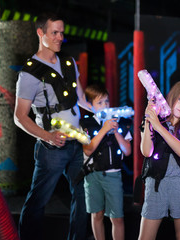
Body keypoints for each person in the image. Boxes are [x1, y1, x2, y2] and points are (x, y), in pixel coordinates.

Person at [14, 12, 89, 240]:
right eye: (54, 32)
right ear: (41, 33)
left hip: (77, 143)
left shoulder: (68, 61)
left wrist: (106, 115)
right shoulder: (29, 72)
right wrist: (47, 136)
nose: (59, 37)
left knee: (84, 196)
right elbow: (19, 116)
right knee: (38, 201)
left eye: (62, 32)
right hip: (51, 149)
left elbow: (82, 100)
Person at [138, 80, 180, 240]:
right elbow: (146, 151)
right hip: (156, 184)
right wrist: (150, 121)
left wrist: (159, 127)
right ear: (171, 97)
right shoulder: (154, 120)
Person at [79, 84, 132, 240]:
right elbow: (88, 149)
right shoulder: (85, 124)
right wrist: (103, 129)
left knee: (117, 217)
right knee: (97, 214)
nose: (105, 106)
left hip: (113, 174)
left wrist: (115, 130)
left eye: (107, 102)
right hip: (92, 175)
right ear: (90, 105)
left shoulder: (120, 123)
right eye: (99, 102)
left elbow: (127, 150)